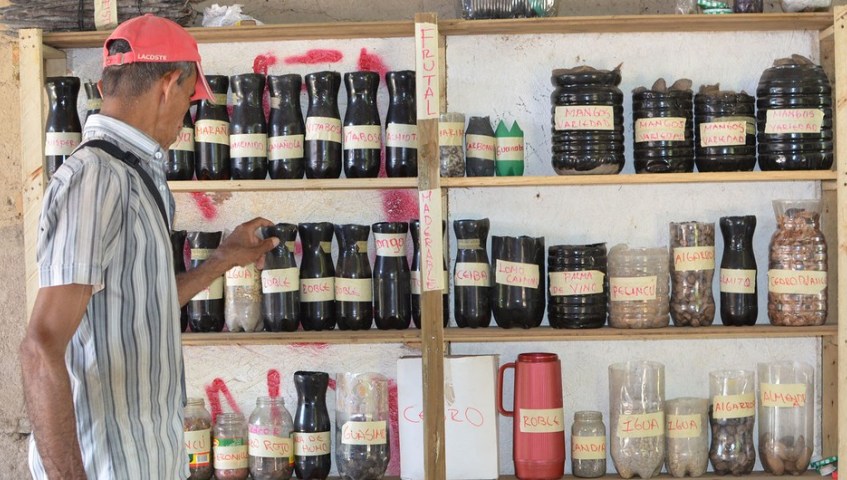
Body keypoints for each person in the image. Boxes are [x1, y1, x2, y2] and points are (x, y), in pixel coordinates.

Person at [19, 14, 276, 479]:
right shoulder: (95, 179)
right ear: (169, 84)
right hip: (108, 466)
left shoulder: (131, 175)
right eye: (189, 97)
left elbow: (139, 305)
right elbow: (40, 348)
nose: (186, 115)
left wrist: (222, 260)